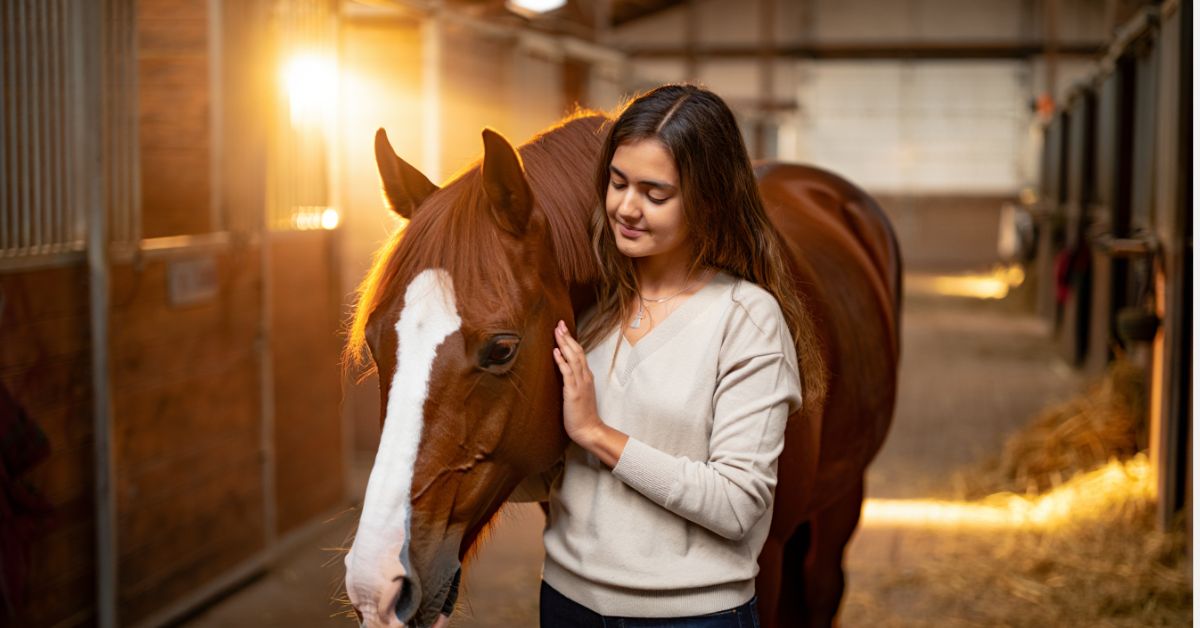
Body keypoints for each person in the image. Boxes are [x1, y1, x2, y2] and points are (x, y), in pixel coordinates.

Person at [540, 83, 809, 627]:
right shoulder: (592, 310)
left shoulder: (746, 319)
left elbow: (736, 505)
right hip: (566, 601)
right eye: (617, 184)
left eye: (654, 194)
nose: (626, 208)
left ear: (708, 201)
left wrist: (597, 433)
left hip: (690, 616)